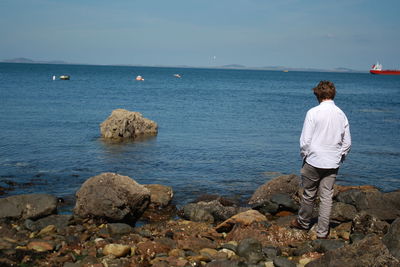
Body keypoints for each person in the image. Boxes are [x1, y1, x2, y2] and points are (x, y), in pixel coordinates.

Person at [291, 80, 351, 239]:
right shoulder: (341, 114)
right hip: (332, 162)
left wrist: (305, 156)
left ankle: (303, 222)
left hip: (314, 160)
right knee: (326, 197)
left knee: (309, 194)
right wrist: (339, 156)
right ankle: (323, 233)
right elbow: (347, 143)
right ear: (332, 95)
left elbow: (305, 141)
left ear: (318, 95)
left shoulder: (313, 112)